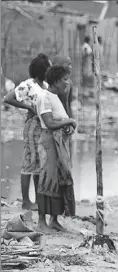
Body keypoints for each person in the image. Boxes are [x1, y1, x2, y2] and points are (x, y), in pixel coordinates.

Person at [2, 53, 51, 210]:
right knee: (29, 162)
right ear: (41, 70)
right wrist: (28, 107)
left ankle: (37, 199)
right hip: (32, 127)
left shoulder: (46, 86)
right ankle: (26, 200)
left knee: (38, 163)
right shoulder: (28, 85)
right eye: (48, 67)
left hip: (43, 127)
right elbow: (8, 98)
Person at [35, 65, 78, 232]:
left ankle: (54, 219)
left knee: (60, 180)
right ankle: (41, 221)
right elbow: (50, 123)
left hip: (59, 143)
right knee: (47, 180)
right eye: (64, 79)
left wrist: (68, 123)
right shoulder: (44, 97)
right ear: (55, 81)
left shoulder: (56, 97)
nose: (67, 82)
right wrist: (69, 122)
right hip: (49, 143)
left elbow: (61, 118)